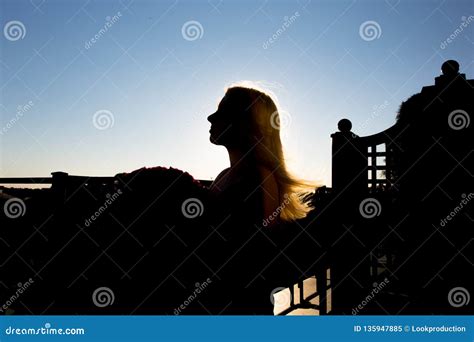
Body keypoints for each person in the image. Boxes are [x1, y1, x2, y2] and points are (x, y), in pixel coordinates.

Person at [198, 85, 315, 314]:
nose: (210, 117)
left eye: (222, 111)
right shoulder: (227, 175)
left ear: (245, 122)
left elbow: (243, 258)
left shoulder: (257, 178)